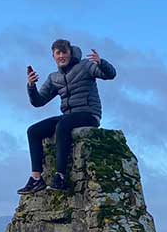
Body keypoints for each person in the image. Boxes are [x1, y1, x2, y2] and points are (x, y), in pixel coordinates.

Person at [17, 39, 117, 194]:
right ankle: (36, 179)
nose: (61, 56)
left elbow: (110, 75)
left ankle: (60, 176)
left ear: (70, 53)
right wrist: (31, 86)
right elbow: (38, 101)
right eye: (58, 53)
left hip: (89, 114)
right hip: (68, 117)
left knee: (62, 125)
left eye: (64, 52)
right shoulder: (54, 78)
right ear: (53, 56)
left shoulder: (85, 66)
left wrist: (101, 63)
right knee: (33, 131)